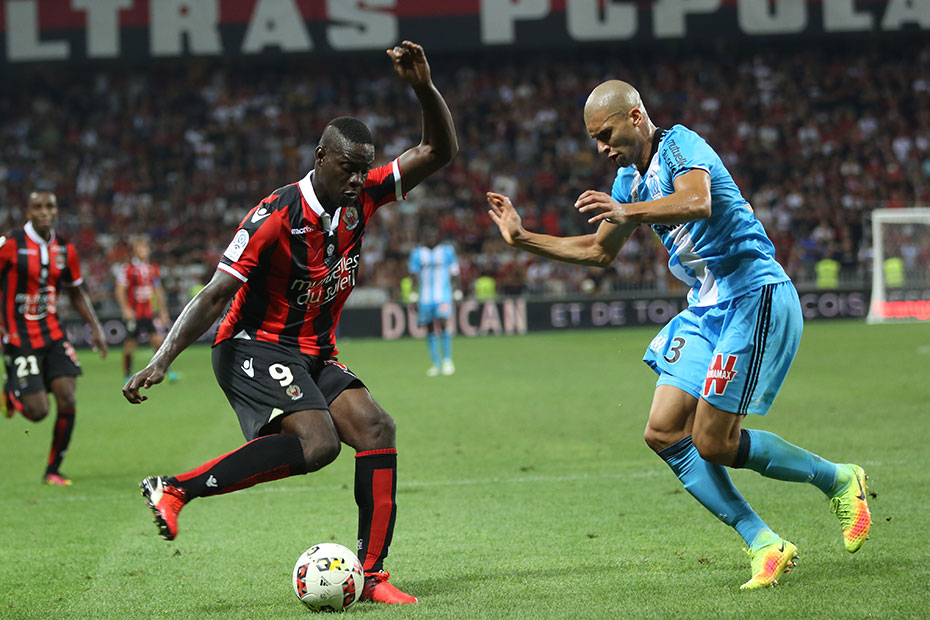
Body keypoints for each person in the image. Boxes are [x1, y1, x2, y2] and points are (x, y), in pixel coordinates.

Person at [487, 80, 871, 590]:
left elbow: (697, 201)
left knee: (713, 441)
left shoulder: (681, 146)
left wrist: (628, 212)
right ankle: (764, 542)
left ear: (635, 117)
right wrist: (522, 238)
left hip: (751, 295)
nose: (601, 148)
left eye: (605, 134)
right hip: (706, 309)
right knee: (664, 431)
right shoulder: (628, 181)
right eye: (594, 139)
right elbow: (599, 251)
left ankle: (839, 479)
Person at [123, 41, 456, 605]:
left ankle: (372, 575)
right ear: (321, 157)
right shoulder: (274, 217)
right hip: (251, 345)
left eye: (364, 171)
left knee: (376, 428)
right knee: (319, 442)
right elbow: (216, 292)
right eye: (348, 169)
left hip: (312, 352)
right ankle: (175, 490)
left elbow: (439, 151)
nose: (358, 180)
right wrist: (162, 358)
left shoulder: (364, 196)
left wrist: (423, 87)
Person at [0, 188, 108, 485]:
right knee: (37, 412)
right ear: (28, 212)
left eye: (50, 206)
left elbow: (75, 292)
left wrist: (95, 327)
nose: (45, 212)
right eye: (38, 207)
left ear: (56, 211)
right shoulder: (10, 244)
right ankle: (12, 391)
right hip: (19, 336)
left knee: (68, 397)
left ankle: (53, 470)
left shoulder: (64, 248)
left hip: (53, 333)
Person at [115, 238, 173, 381]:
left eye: (146, 248)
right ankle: (127, 375)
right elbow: (119, 290)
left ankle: (166, 371)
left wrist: (163, 311)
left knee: (158, 342)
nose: (144, 251)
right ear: (135, 252)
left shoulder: (153, 268)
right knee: (130, 345)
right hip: (134, 314)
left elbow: (158, 291)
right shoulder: (128, 269)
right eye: (141, 249)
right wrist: (125, 309)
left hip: (149, 313)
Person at [408, 227, 460, 376]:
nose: (430, 238)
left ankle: (448, 360)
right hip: (425, 297)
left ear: (438, 236)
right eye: (427, 235)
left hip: (443, 295)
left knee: (443, 323)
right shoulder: (417, 253)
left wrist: (456, 290)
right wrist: (413, 295)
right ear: (423, 237)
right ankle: (436, 363)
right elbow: (413, 275)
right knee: (430, 328)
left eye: (433, 235)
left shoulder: (447, 251)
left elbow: (455, 273)